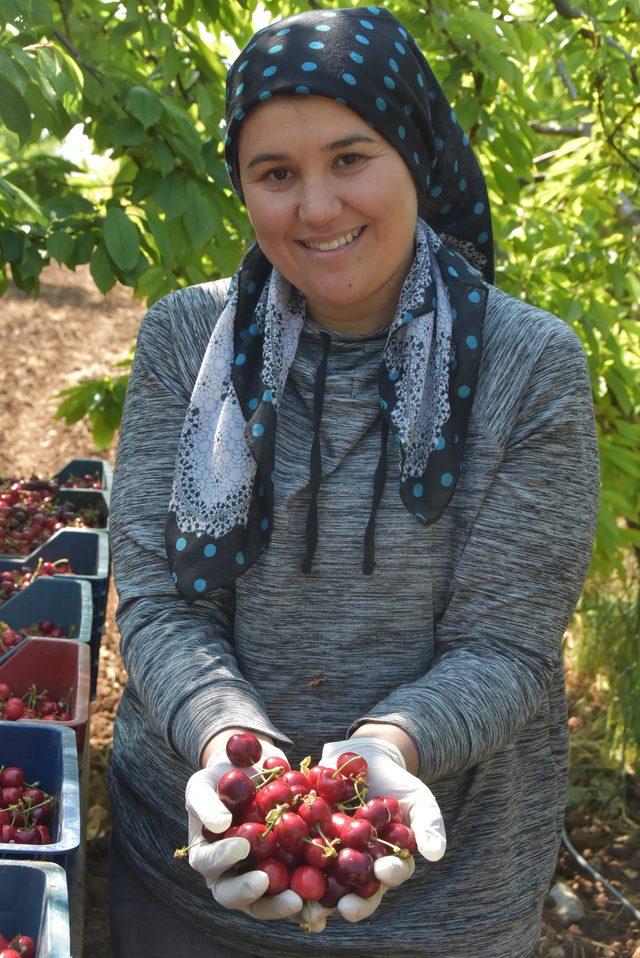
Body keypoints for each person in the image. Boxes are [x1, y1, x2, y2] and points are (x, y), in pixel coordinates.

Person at [107, 6, 600, 958]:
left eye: (350, 158)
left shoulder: (527, 365)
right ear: (242, 187)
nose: (318, 208)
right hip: (192, 876)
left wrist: (385, 751)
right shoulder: (183, 340)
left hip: (447, 903)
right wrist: (229, 755)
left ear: (414, 153)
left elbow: (505, 644)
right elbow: (162, 606)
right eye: (275, 174)